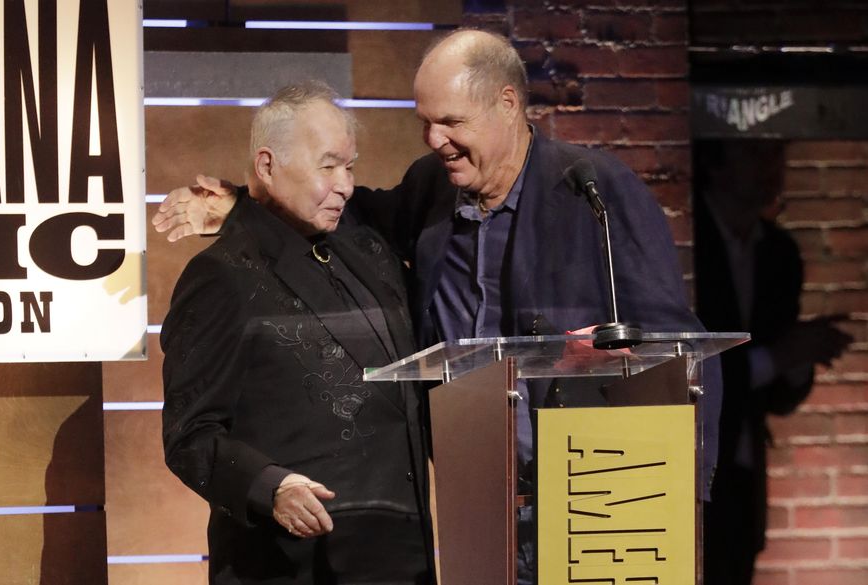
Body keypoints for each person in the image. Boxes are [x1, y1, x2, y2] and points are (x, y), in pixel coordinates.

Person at [154, 29, 722, 584]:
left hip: (589, 500)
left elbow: (677, 348)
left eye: (451, 121)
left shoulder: (591, 191)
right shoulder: (433, 186)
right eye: (424, 122)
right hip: (473, 506)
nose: (432, 139)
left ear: (506, 105)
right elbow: (337, 215)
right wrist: (243, 206)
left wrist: (685, 491)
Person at [160, 81, 434, 585]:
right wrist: (272, 487)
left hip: (400, 552)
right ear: (267, 166)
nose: (346, 184)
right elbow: (189, 435)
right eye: (327, 166)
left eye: (349, 166)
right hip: (290, 562)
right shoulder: (222, 276)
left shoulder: (369, 245)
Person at [694, 140, 851, 585]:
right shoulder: (688, 240)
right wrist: (780, 356)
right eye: (756, 154)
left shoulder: (779, 253)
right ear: (716, 163)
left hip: (742, 471)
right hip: (688, 461)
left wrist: (799, 356)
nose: (772, 168)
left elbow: (780, 396)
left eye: (776, 156)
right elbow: (687, 363)